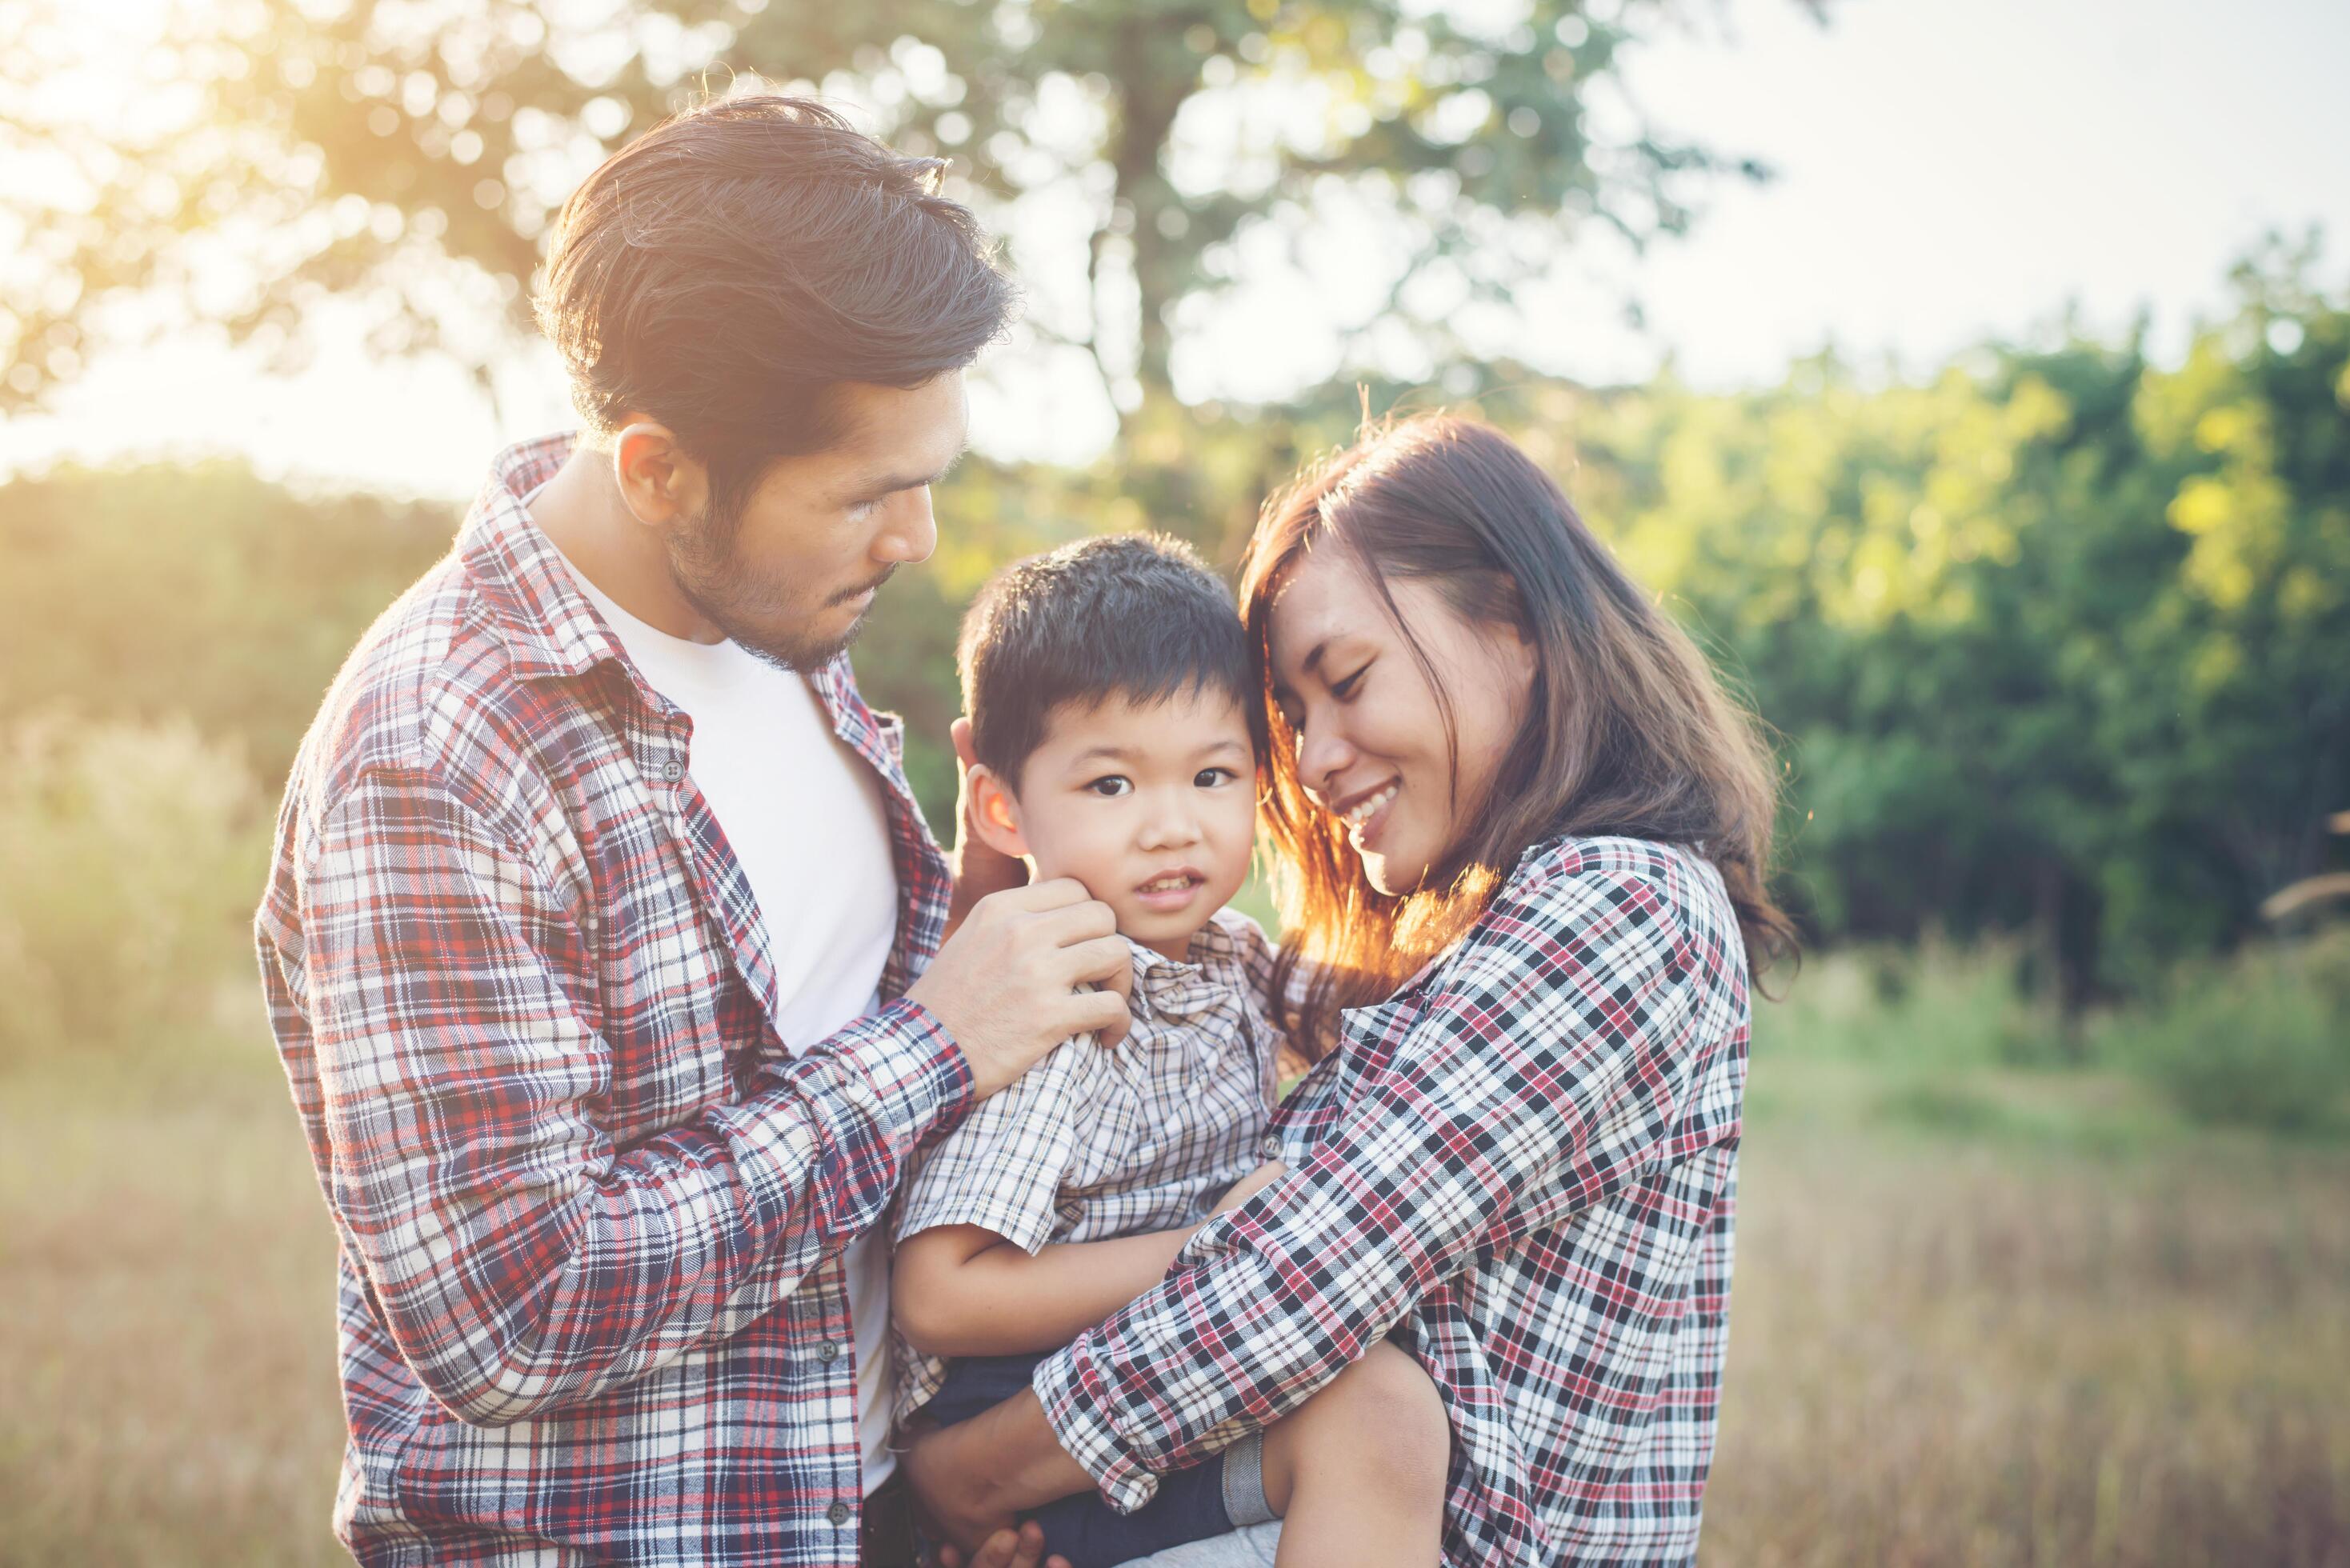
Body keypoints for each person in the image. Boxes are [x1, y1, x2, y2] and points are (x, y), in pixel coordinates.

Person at [254, 96, 1135, 1567]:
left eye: (927, 478)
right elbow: (513, 1311)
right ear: (658, 468)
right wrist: (935, 1045)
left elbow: (828, 1048)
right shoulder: (437, 757)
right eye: (869, 494)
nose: (914, 539)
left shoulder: (779, 612)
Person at [906, 413, 1795, 1566]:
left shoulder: (1618, 905)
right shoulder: (1462, 934)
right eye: (1291, 718)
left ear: (1515, 620)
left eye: (1347, 681)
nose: (1313, 761)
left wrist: (979, 1476)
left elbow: (1301, 1278)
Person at [889, 534, 1450, 1568]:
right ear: (1003, 808)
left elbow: (1400, 1019)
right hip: (1026, 1413)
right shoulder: (1053, 997)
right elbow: (938, 1297)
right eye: (1110, 786)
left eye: (1210, 775)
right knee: (1379, 1414)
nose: (1171, 827)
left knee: (1379, 1402)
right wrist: (1211, 1247)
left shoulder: (1225, 954)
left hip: (1159, 1370)